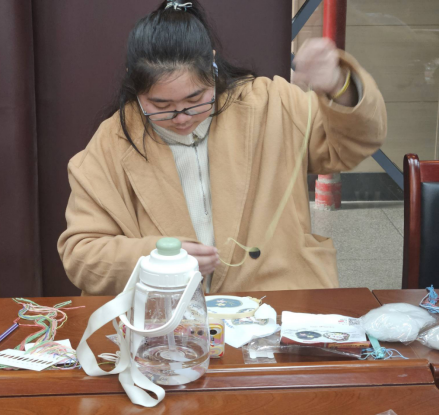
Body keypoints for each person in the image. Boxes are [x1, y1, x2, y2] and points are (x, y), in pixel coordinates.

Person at [58, 0, 386, 296]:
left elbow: (355, 144)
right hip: (169, 317)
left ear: (213, 66)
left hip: (278, 301)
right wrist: (156, 259)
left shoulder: (270, 104)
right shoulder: (112, 143)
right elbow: (81, 255)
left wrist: (339, 86)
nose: (181, 117)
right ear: (134, 84)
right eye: (161, 105)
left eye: (195, 99)